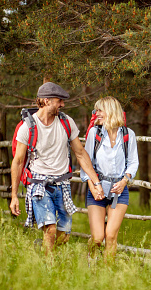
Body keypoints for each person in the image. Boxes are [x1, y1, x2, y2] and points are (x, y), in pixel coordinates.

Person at [10, 82, 105, 255]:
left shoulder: (66, 122)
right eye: (59, 100)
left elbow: (81, 153)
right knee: (51, 230)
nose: (62, 104)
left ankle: (43, 251)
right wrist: (14, 195)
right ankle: (49, 269)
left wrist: (96, 181)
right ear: (46, 101)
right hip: (39, 184)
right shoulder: (27, 127)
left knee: (63, 236)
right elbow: (17, 162)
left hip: (63, 184)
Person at [80, 96, 139, 261]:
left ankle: (107, 274)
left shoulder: (128, 135)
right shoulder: (95, 133)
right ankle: (89, 263)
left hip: (119, 191)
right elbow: (86, 163)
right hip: (97, 188)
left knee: (111, 236)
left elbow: (133, 162)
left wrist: (124, 181)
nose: (96, 113)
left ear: (111, 112)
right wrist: (93, 187)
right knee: (98, 237)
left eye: (100, 110)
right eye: (95, 110)